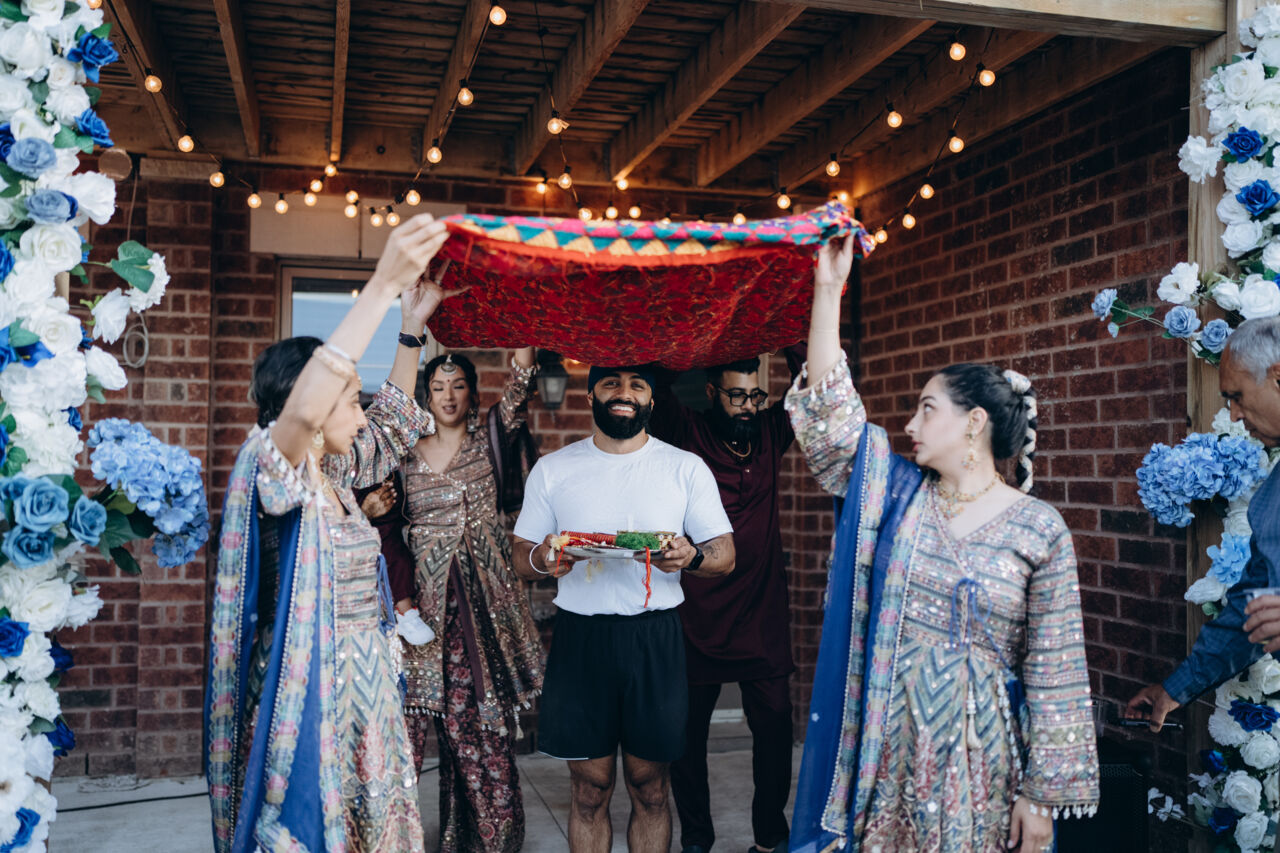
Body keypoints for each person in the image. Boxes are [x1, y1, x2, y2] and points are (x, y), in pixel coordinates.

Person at [784, 234, 1099, 853]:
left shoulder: (1039, 528)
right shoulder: (895, 498)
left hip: (982, 764)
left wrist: (1041, 798)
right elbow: (832, 419)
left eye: (928, 409)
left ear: (974, 423)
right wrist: (828, 290)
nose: (909, 424)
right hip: (887, 746)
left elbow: (1056, 670)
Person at [205, 214, 452, 853]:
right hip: (311, 692)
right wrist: (380, 284)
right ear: (310, 412)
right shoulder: (276, 473)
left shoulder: (335, 474)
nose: (359, 410)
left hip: (367, 687)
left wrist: (410, 325)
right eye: (347, 399)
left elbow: (392, 424)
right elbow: (314, 408)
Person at [511, 365, 737, 853]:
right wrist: (544, 558)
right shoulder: (554, 468)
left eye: (637, 384)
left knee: (650, 787)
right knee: (589, 790)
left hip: (655, 638)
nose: (624, 392)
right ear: (590, 394)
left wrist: (691, 557)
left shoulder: (685, 467)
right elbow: (521, 556)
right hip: (581, 638)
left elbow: (724, 555)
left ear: (651, 400)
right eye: (611, 382)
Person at [648, 353, 803, 853]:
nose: (748, 406)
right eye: (737, 395)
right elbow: (657, 379)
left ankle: (770, 837)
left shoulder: (772, 433)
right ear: (712, 392)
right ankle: (697, 839)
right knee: (688, 737)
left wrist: (785, 332)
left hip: (762, 613)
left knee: (775, 726)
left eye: (755, 395)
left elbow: (810, 381)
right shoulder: (687, 431)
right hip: (698, 614)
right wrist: (710, 337)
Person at [396, 347, 545, 853]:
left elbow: (519, 389)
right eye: (438, 387)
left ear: (472, 394)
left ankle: (494, 837)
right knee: (417, 729)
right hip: (421, 615)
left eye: (458, 385)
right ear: (426, 397)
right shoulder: (405, 455)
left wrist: (524, 338)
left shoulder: (490, 441)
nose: (448, 396)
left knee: (479, 725)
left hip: (483, 611)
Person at [1126, 315, 1280, 729]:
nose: (1234, 414)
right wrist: (1176, 688)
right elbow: (1249, 610)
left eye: (1237, 396)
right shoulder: (1269, 500)